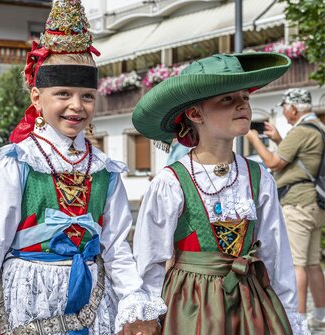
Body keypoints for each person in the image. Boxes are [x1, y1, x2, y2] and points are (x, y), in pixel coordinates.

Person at [0, 1, 166, 334]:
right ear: (37, 98)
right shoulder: (19, 163)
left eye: (87, 96)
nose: (76, 106)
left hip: (92, 303)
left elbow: (116, 247)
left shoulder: (104, 170)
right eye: (63, 93)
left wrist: (133, 300)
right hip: (29, 300)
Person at [131, 52, 309, 334]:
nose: (242, 105)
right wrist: (147, 314)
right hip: (190, 305)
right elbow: (150, 259)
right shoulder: (171, 181)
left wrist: (289, 315)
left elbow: (276, 255)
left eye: (245, 97)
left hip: (250, 305)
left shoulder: (258, 177)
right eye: (227, 99)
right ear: (195, 113)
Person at [246, 88, 325, 327]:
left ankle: (297, 322)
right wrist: (279, 140)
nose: (283, 110)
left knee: (297, 264)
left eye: (284, 106)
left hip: (298, 203)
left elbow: (272, 162)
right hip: (314, 203)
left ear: (292, 108)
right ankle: (321, 316)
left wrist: (253, 139)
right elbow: (304, 159)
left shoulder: (300, 131)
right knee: (312, 263)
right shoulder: (318, 128)